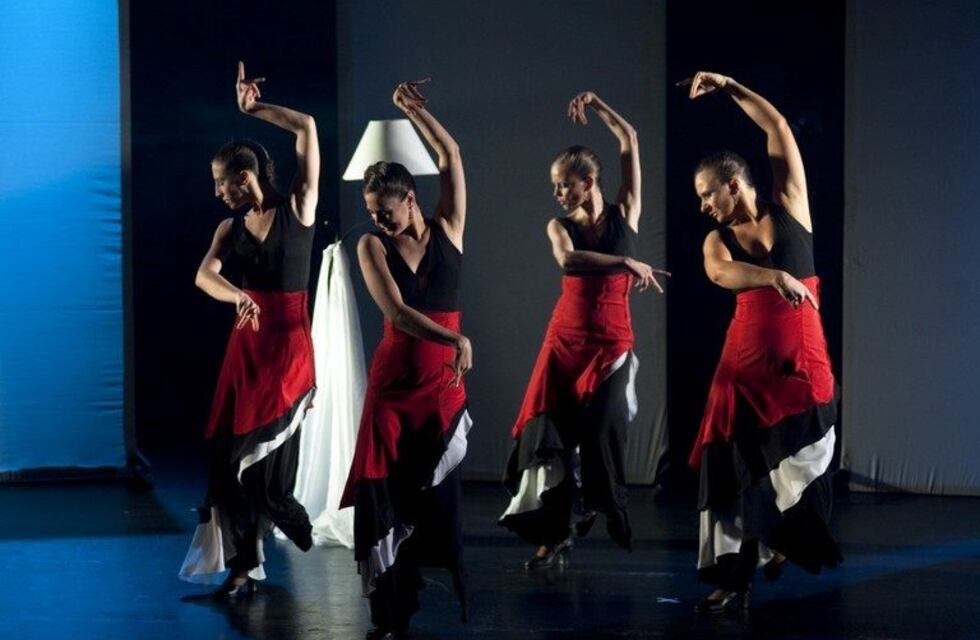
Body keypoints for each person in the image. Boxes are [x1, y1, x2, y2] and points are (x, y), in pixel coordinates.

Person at [681, 71, 842, 613]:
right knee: (729, 470)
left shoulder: (790, 205)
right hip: (742, 371)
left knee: (809, 463)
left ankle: (779, 538)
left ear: (732, 184)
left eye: (707, 195)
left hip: (802, 367)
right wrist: (773, 277)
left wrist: (728, 85)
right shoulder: (717, 239)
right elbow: (721, 275)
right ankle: (732, 577)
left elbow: (775, 125)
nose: (703, 206)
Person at [499, 92, 668, 569]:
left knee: (603, 428)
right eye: (555, 187)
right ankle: (552, 536)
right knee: (549, 437)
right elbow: (569, 261)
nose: (558, 195)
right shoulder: (560, 227)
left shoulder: (625, 212)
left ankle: (600, 504)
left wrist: (596, 104)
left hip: (612, 342)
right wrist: (625, 261)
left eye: (564, 186)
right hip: (565, 342)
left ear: (589, 181)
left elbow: (629, 139)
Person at [178, 62, 319, 598]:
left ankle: (285, 519)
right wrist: (237, 295)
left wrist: (253, 109)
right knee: (226, 460)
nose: (218, 195)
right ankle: (243, 564)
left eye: (221, 184)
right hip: (247, 349)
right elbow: (203, 276)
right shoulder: (228, 227)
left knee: (266, 467)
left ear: (244, 177)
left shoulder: (298, 210)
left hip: (287, 347)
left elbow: (306, 128)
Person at [340, 79, 472, 640]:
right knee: (384, 500)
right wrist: (455, 340)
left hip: (439, 391)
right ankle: (388, 615)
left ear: (410, 198)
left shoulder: (450, 228)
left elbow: (451, 156)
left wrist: (414, 110)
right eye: (372, 212)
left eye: (386, 210)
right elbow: (395, 314)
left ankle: (411, 593)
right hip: (394, 392)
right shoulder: (372, 246)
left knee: (433, 502)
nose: (378, 220)